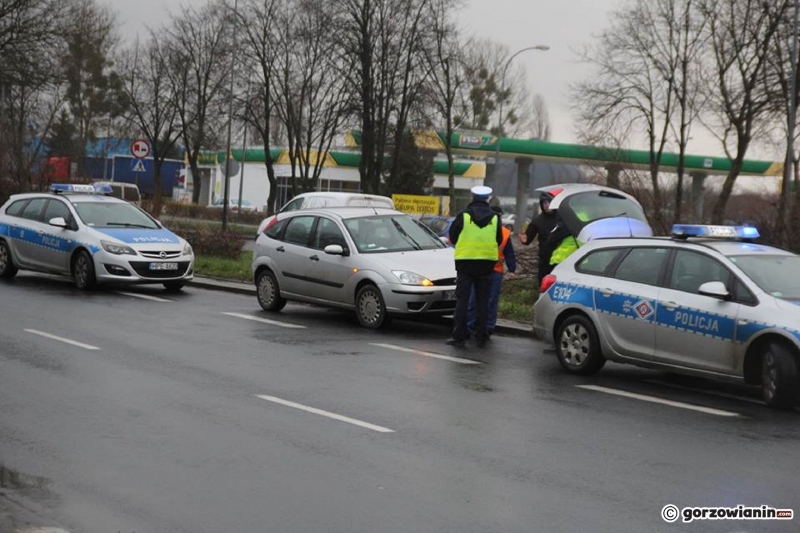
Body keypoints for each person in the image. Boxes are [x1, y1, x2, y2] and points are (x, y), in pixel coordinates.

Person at [446, 185, 504, 348]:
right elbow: (498, 240)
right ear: (487, 199)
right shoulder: (494, 217)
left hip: (465, 263)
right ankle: (481, 335)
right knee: (483, 300)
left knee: (463, 300)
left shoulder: (463, 216)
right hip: (486, 264)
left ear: (472, 197)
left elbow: (452, 236)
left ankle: (459, 336)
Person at [466, 204, 517, 337]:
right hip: (485, 270)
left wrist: (512, 268)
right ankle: (476, 325)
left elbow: (509, 252)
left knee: (487, 300)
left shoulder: (504, 233)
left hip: (491, 270)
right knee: (479, 299)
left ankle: (483, 326)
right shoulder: (488, 230)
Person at [519, 190, 560, 285]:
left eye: (549, 202)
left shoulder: (562, 218)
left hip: (560, 259)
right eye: (544, 203)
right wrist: (524, 240)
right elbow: (528, 238)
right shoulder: (538, 221)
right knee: (543, 284)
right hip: (545, 259)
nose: (547, 205)